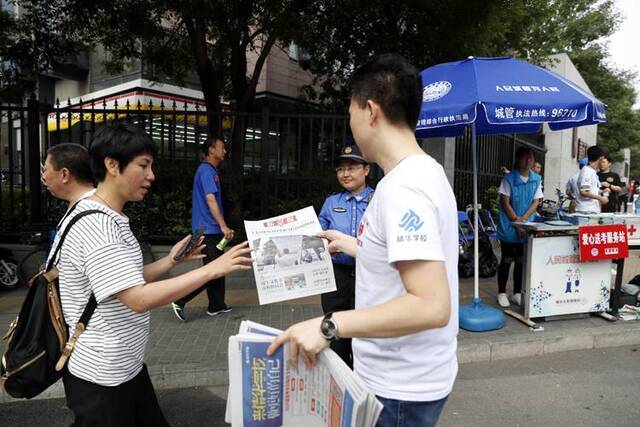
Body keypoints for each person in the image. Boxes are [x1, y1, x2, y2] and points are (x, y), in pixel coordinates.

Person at [267, 54, 458, 427]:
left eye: (350, 111)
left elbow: (432, 306)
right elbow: (403, 259)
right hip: (408, 378)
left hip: (399, 388)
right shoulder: (422, 173)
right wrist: (353, 245)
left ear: (370, 110)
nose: (351, 124)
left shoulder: (404, 188)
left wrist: (327, 325)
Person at [55, 122, 252, 426]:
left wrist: (170, 262)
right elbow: (137, 298)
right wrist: (212, 269)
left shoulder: (109, 215)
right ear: (112, 165)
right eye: (143, 165)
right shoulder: (99, 227)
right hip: (103, 377)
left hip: (125, 367)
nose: (151, 176)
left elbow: (126, 280)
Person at [318, 143, 374, 368]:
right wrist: (322, 243)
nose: (345, 174)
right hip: (336, 278)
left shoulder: (379, 200)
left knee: (364, 334)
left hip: (368, 275)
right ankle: (341, 383)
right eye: (341, 169)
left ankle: (364, 383)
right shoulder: (332, 202)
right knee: (336, 333)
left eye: (352, 168)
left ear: (366, 170)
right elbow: (318, 233)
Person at [172, 137, 235, 321]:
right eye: (221, 148)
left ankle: (217, 305)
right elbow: (210, 199)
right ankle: (180, 300)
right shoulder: (207, 171)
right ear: (211, 150)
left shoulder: (209, 171)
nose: (224, 152)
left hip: (210, 230)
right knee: (211, 270)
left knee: (218, 267)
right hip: (208, 230)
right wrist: (223, 225)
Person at [496, 146, 543, 308]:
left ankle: (517, 292)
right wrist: (517, 222)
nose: (529, 161)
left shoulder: (536, 179)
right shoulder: (508, 179)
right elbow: (505, 202)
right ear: (518, 159)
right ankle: (501, 292)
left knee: (521, 261)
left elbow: (535, 202)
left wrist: (523, 220)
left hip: (526, 225)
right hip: (509, 225)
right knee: (507, 259)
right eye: (525, 158)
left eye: (531, 158)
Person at [575, 145, 608, 213]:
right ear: (600, 158)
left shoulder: (592, 171)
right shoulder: (587, 171)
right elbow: (584, 192)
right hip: (585, 211)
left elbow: (591, 190)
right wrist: (601, 198)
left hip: (591, 210)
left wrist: (602, 191)